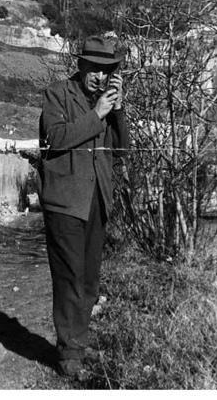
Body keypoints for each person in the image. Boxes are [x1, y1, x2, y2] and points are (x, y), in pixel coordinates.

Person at [39, 35, 129, 379]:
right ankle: (69, 355)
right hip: (64, 201)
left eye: (106, 71)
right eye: (93, 69)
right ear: (80, 65)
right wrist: (97, 114)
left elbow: (121, 152)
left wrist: (117, 112)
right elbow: (56, 138)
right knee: (69, 278)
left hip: (97, 201)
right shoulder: (57, 94)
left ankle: (78, 341)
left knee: (89, 280)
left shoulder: (107, 103)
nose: (99, 77)